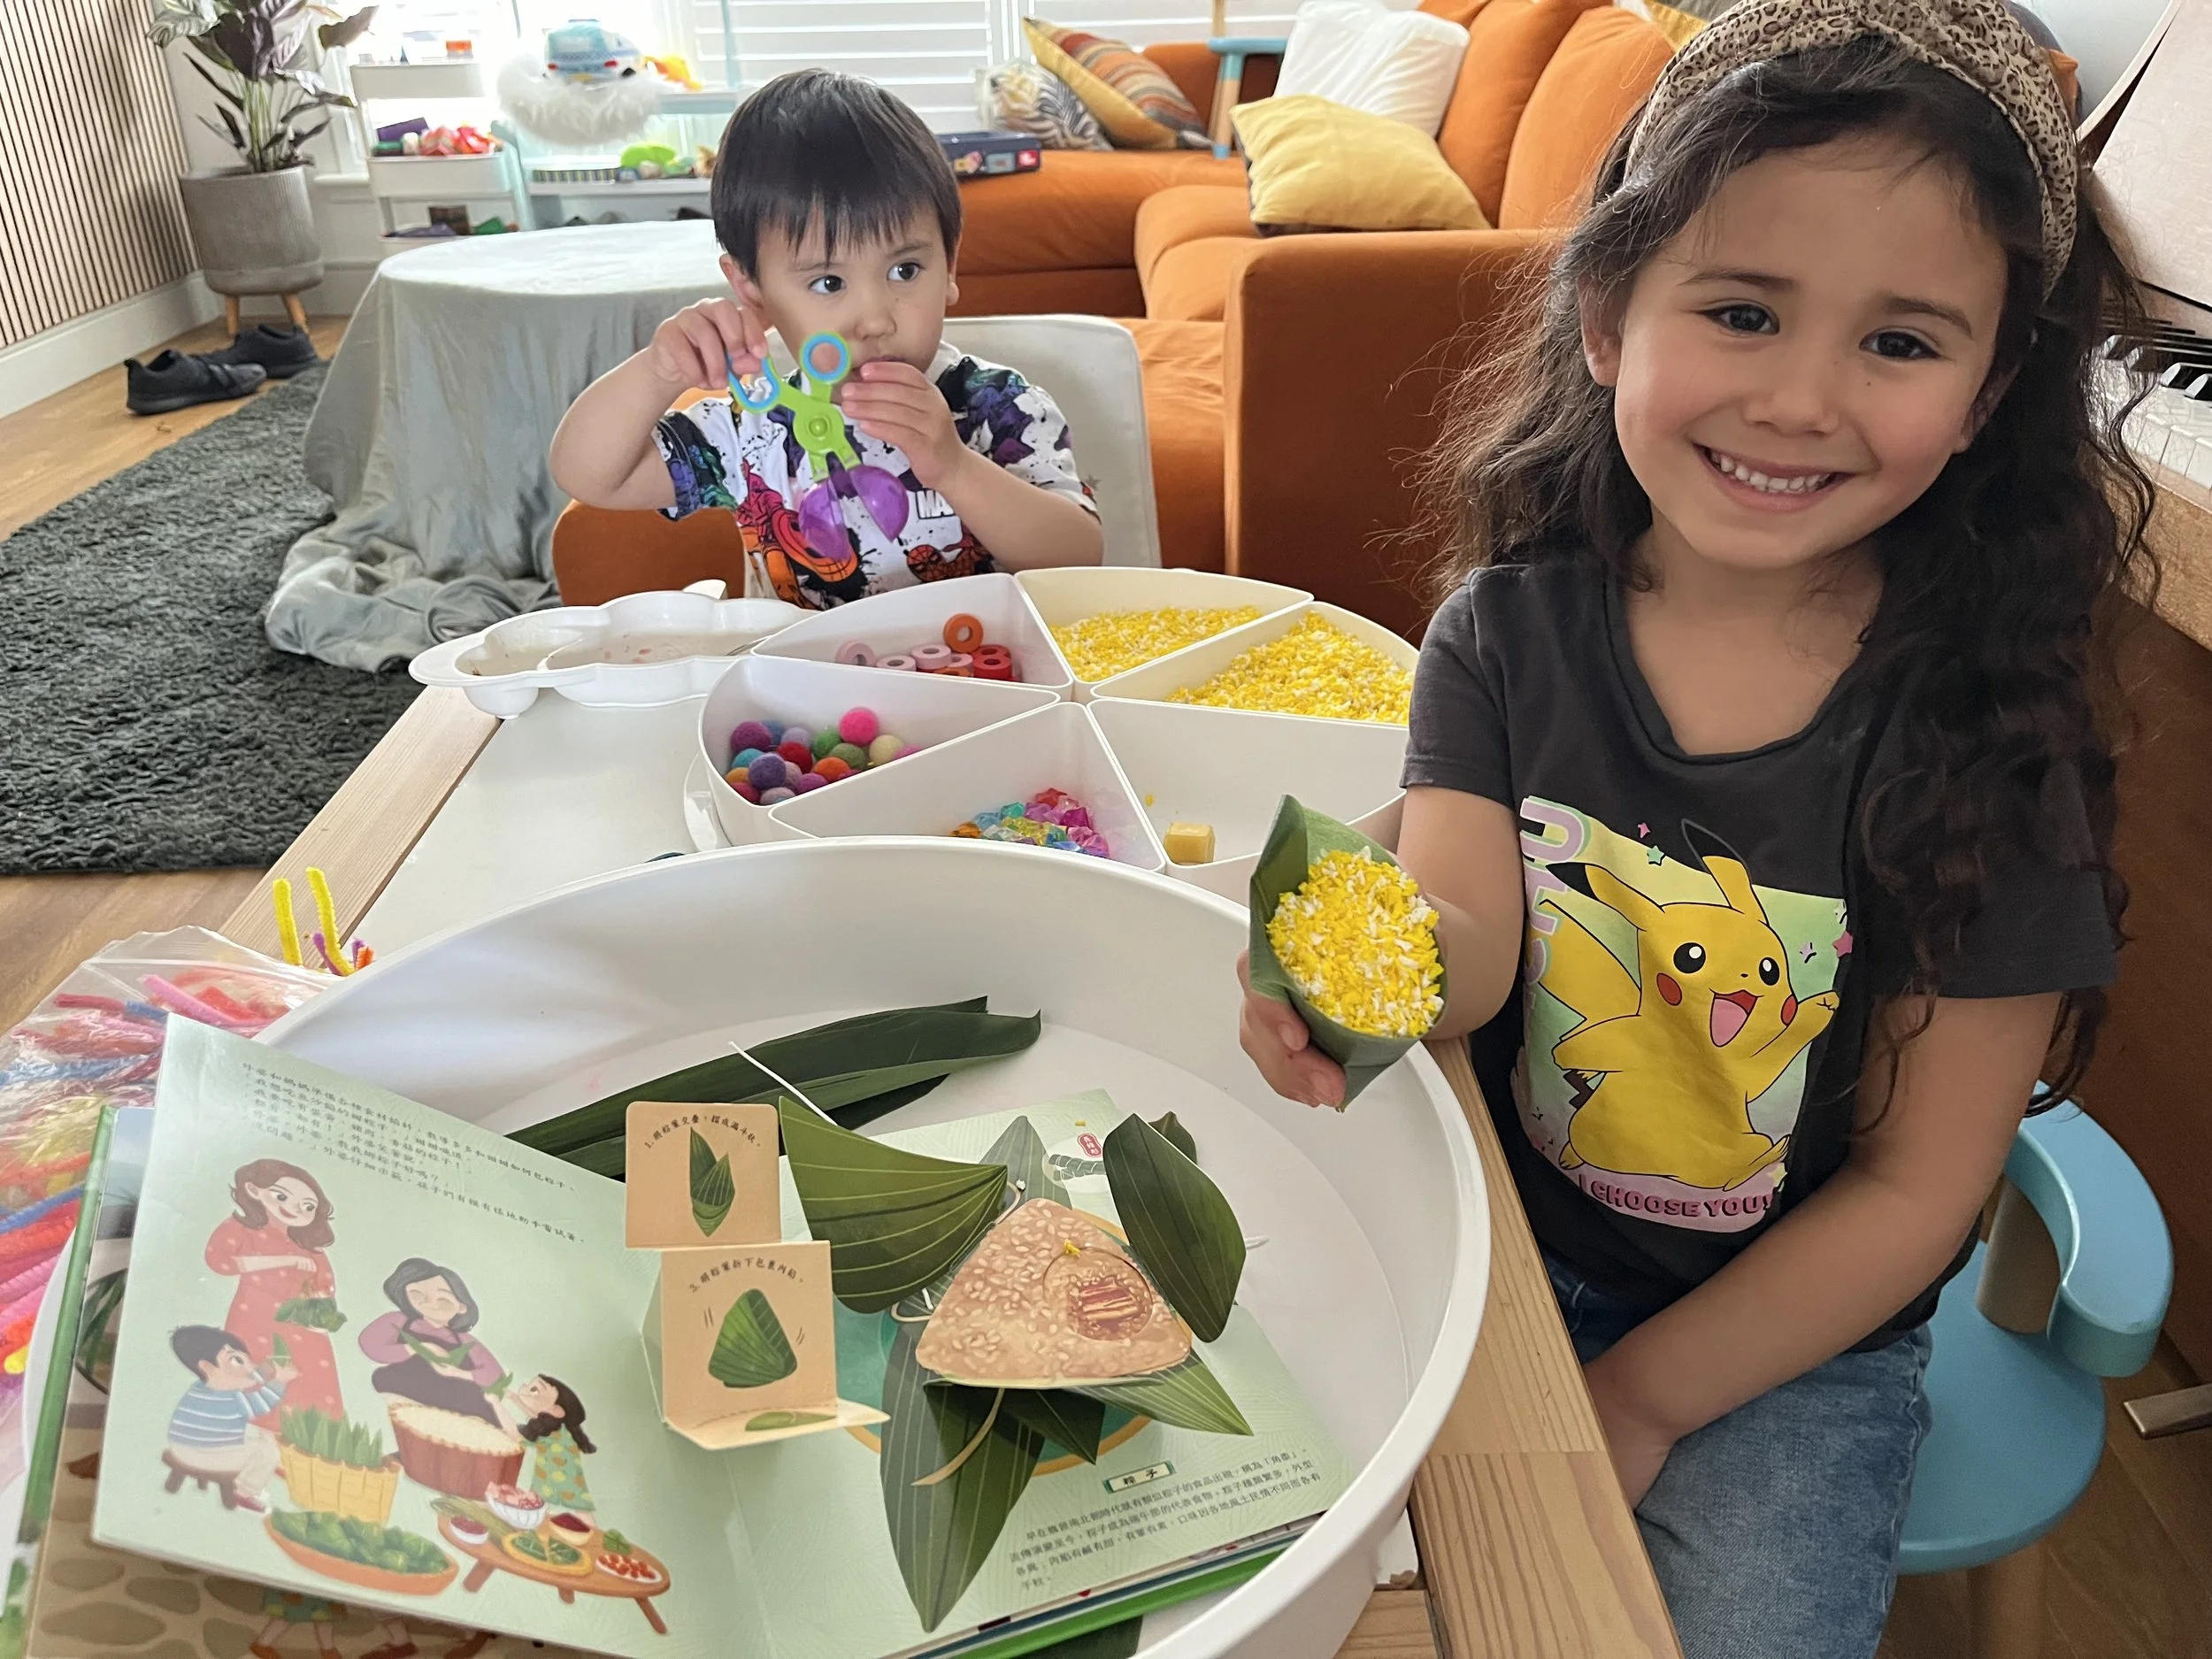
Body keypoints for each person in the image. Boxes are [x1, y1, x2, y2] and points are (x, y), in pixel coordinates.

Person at [1236, 4, 2150, 1656]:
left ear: (1990, 388)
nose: (1799, 399)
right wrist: (1348, 954)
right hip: (1500, 1238)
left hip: (1791, 1340)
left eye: (1900, 341)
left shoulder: (1989, 741)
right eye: (1742, 311)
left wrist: (1648, 1394)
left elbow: (1914, 1193)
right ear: (1606, 315)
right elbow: (1466, 953)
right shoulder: (1502, 635)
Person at [549, 69, 1105, 610]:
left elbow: (1079, 558)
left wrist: (954, 466)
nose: (875, 320)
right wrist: (659, 371)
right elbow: (591, 477)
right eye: (828, 282)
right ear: (752, 289)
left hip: (983, 669)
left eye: (905, 270)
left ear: (950, 264)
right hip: (799, 674)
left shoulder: (998, 406)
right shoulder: (751, 429)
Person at [204, 1159, 345, 1424]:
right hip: (254, 1317)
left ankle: (310, 1441)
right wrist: (285, 1261)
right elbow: (219, 1261)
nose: (295, 1209)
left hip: (303, 1326)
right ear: (254, 1190)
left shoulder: (310, 1248)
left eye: (308, 1207)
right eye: (282, 1196)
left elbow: (325, 1286)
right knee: (254, 1371)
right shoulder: (241, 1229)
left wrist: (319, 1308)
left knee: (311, 1383)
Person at [358, 1260, 506, 1427]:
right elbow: (371, 1344)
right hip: (409, 1392)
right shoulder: (400, 1321)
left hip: (458, 1405)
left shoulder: (465, 1341)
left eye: (443, 1299)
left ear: (462, 1307)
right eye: (417, 1295)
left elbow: (497, 1377)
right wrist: (421, 1348)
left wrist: (459, 1373)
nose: (429, 1304)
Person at [165, 1325, 296, 1513]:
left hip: (184, 1445)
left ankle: (264, 1467)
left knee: (261, 1434)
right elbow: (262, 1403)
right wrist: (280, 1381)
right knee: (268, 1451)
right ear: (207, 1367)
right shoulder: (230, 1399)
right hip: (203, 1454)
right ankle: (245, 1492)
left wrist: (265, 1368)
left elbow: (246, 1376)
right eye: (237, 1360)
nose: (250, 1367)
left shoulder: (204, 1387)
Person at [504, 1374, 595, 1512]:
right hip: (547, 1484)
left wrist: (499, 1403)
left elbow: (517, 1432)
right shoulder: (552, 1427)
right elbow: (535, 1415)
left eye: (535, 1390)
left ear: (557, 1411)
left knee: (575, 1512)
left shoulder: (551, 1432)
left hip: (560, 1487)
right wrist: (514, 1398)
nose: (525, 1388)